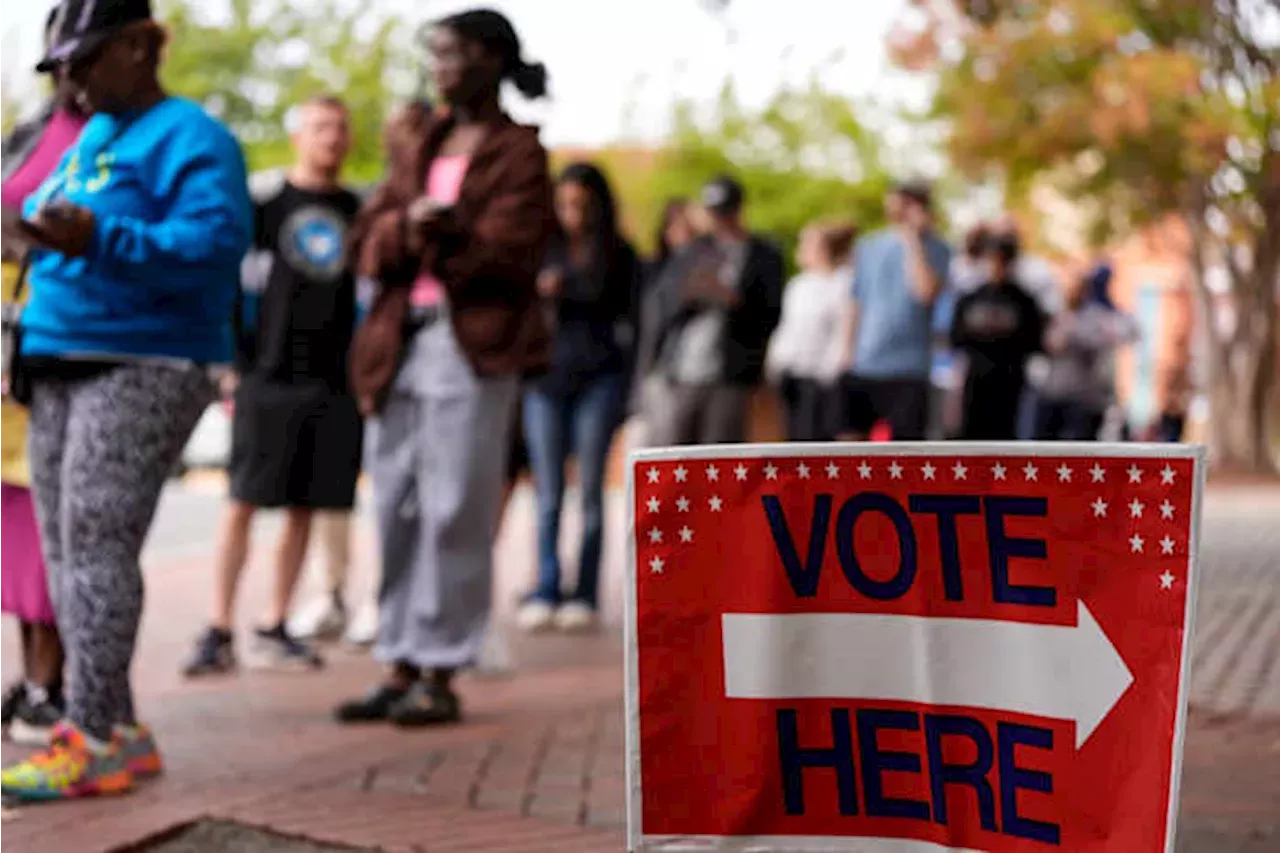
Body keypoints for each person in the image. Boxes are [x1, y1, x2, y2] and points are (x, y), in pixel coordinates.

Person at [0, 0, 251, 800]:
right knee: (67, 552)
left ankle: (94, 736)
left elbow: (216, 245)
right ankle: (122, 725)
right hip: (60, 356)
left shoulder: (191, 135)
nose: (68, 79)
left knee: (99, 547)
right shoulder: (98, 135)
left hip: (144, 360)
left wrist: (101, 238)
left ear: (139, 48)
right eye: (60, 67)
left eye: (83, 60)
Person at [336, 7, 553, 727]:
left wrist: (450, 231)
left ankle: (441, 667)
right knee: (394, 495)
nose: (439, 69)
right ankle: (398, 659)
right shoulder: (417, 138)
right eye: (434, 56)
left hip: (473, 345)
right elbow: (367, 235)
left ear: (490, 59)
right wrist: (406, 227)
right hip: (399, 340)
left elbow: (515, 253)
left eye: (451, 55)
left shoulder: (519, 151)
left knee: (455, 502)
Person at [183, 96, 364, 677]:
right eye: (318, 126)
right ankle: (217, 627)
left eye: (338, 127)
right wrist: (233, 360)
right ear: (298, 136)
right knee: (243, 501)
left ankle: (276, 622)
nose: (330, 137)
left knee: (307, 506)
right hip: (268, 374)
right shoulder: (264, 206)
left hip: (333, 381)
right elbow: (229, 283)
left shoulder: (358, 213)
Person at [0, 5, 86, 747]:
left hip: (55, 346)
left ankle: (48, 685)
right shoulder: (30, 128)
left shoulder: (114, 138)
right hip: (4, 341)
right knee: (12, 517)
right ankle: (28, 679)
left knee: (48, 515)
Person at [517, 162, 640, 633]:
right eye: (565, 203)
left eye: (582, 204)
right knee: (547, 493)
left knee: (591, 493)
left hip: (599, 381)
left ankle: (584, 593)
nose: (573, 213)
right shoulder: (540, 250)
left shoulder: (620, 254)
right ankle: (546, 586)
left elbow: (633, 322)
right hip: (544, 382)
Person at [643, 175, 784, 446]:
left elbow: (771, 314)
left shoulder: (763, 254)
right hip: (681, 369)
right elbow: (662, 303)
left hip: (731, 373)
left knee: (720, 455)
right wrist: (690, 293)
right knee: (674, 453)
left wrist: (733, 301)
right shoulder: (693, 251)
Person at [837, 181, 952, 441]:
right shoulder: (868, 246)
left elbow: (925, 292)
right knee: (849, 447)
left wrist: (912, 238)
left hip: (909, 369)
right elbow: (856, 301)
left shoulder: (938, 248)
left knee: (905, 454)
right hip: (864, 364)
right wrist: (846, 352)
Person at [764, 221, 855, 441]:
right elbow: (787, 329)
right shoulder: (798, 285)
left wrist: (832, 370)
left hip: (822, 378)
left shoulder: (843, 284)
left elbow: (843, 331)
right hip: (791, 373)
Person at [949, 232, 1046, 439]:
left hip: (1009, 383)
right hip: (976, 381)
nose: (995, 266)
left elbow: (1035, 342)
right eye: (991, 259)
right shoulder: (970, 299)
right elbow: (956, 339)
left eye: (1001, 260)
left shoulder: (1024, 301)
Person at [1034, 265, 1140, 441]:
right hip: (1053, 394)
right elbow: (1047, 344)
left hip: (1084, 399)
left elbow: (1124, 333)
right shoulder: (1055, 316)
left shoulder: (1096, 317)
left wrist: (1073, 333)